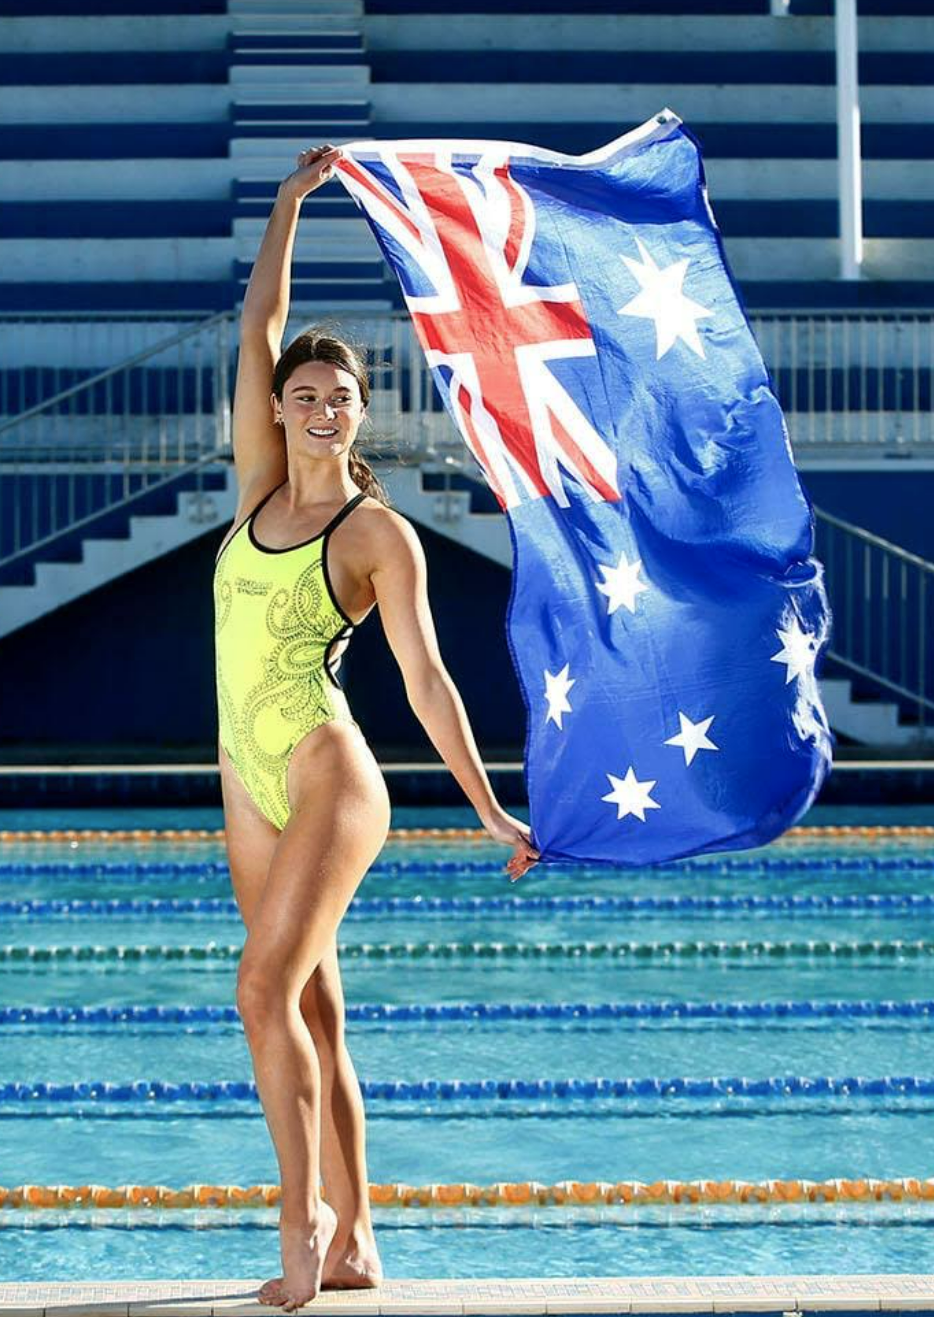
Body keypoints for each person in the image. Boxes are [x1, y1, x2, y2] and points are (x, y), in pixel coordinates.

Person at [215, 143, 540, 1313]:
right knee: (311, 1010)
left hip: (324, 770)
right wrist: (289, 206)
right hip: (243, 782)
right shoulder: (256, 484)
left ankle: (301, 1225)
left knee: (261, 994)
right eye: (299, 393)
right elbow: (259, 327)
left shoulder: (373, 533)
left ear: (360, 412)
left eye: (335, 395)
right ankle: (361, 1242)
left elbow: (426, 677)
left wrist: (489, 802)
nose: (312, 405)